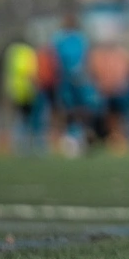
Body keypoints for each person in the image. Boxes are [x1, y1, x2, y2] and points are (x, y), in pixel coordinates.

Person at [52, 13, 99, 157]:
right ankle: (72, 136)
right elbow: (55, 60)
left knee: (83, 109)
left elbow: (86, 59)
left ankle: (82, 136)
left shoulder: (79, 39)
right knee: (69, 110)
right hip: (66, 80)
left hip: (79, 80)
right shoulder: (59, 39)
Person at [3, 39, 46, 154]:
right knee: (31, 119)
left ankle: (20, 146)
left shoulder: (12, 52)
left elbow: (10, 73)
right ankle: (32, 146)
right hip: (28, 92)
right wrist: (36, 86)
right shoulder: (28, 53)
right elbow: (31, 73)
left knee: (21, 118)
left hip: (16, 91)